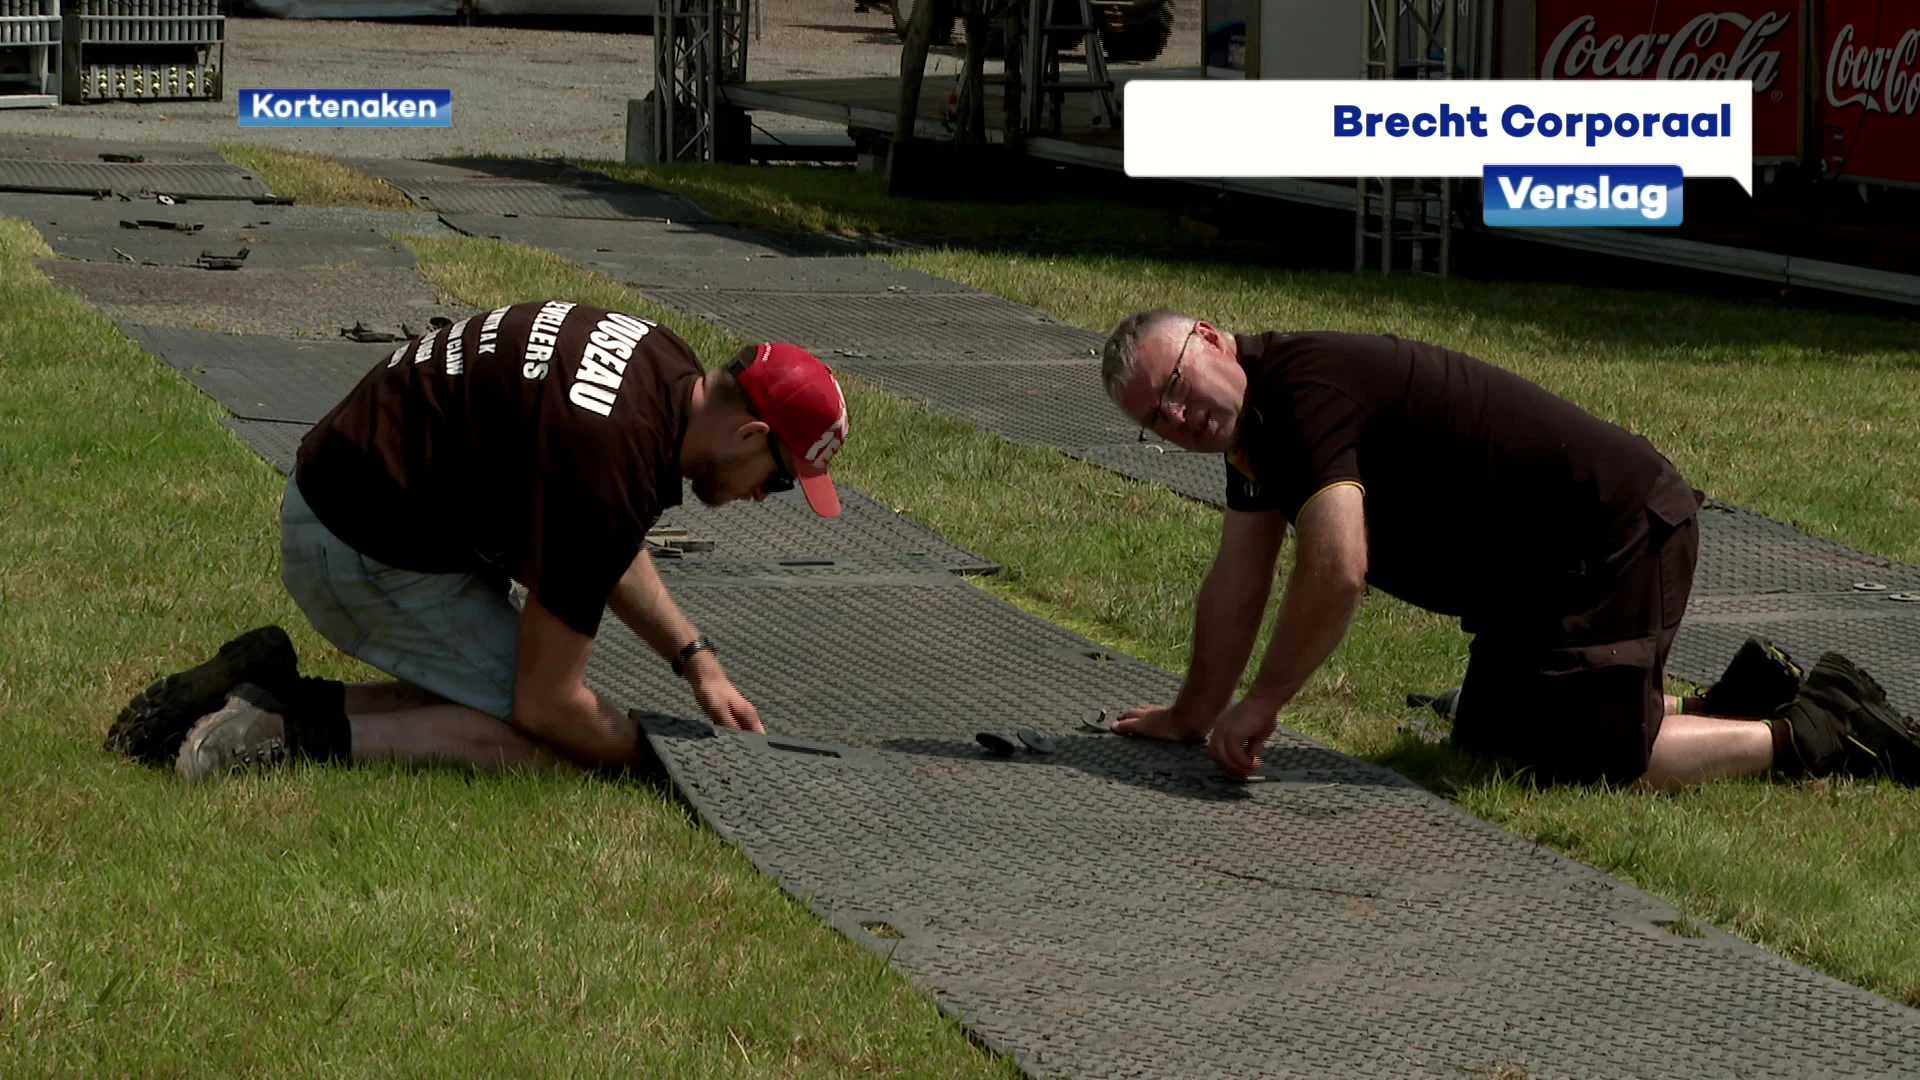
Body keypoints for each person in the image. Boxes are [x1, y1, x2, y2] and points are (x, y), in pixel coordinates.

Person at [1099, 309, 1920, 789]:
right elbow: (1236, 582)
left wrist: (1264, 701)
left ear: (1209, 339)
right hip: (1535, 574)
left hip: (1616, 535)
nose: (1178, 418)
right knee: (1490, 738)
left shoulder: (1304, 394)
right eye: (1155, 420)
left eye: (1175, 387)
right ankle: (1732, 702)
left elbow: (1336, 568)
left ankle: (1820, 728)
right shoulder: (1256, 434)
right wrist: (1191, 713)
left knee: (1596, 758)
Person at [107, 301, 850, 782]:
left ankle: (274, 690)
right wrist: (661, 763)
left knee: (476, 698)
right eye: (778, 480)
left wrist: (697, 663)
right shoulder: (611, 457)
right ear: (751, 433)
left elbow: (605, 540)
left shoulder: (659, 363)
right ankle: (274, 737)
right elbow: (547, 704)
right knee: (548, 745)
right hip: (358, 551)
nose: (762, 496)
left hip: (352, 504)